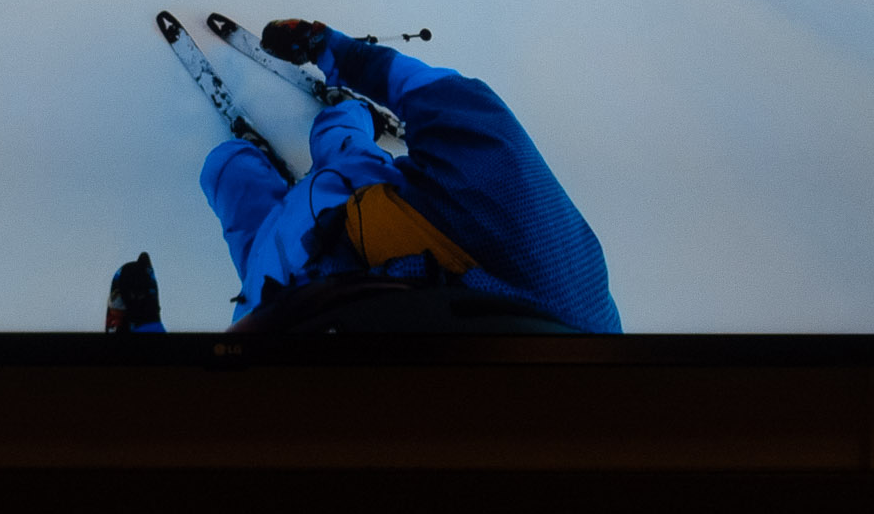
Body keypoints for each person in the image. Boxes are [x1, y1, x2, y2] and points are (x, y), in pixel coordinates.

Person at [111, 20, 621, 334]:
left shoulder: (559, 299)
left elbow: (181, 419)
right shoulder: (555, 286)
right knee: (343, 141)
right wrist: (341, 54)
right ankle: (346, 117)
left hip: (276, 288)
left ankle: (255, 155)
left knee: (229, 173)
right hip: (355, 206)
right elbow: (459, 107)